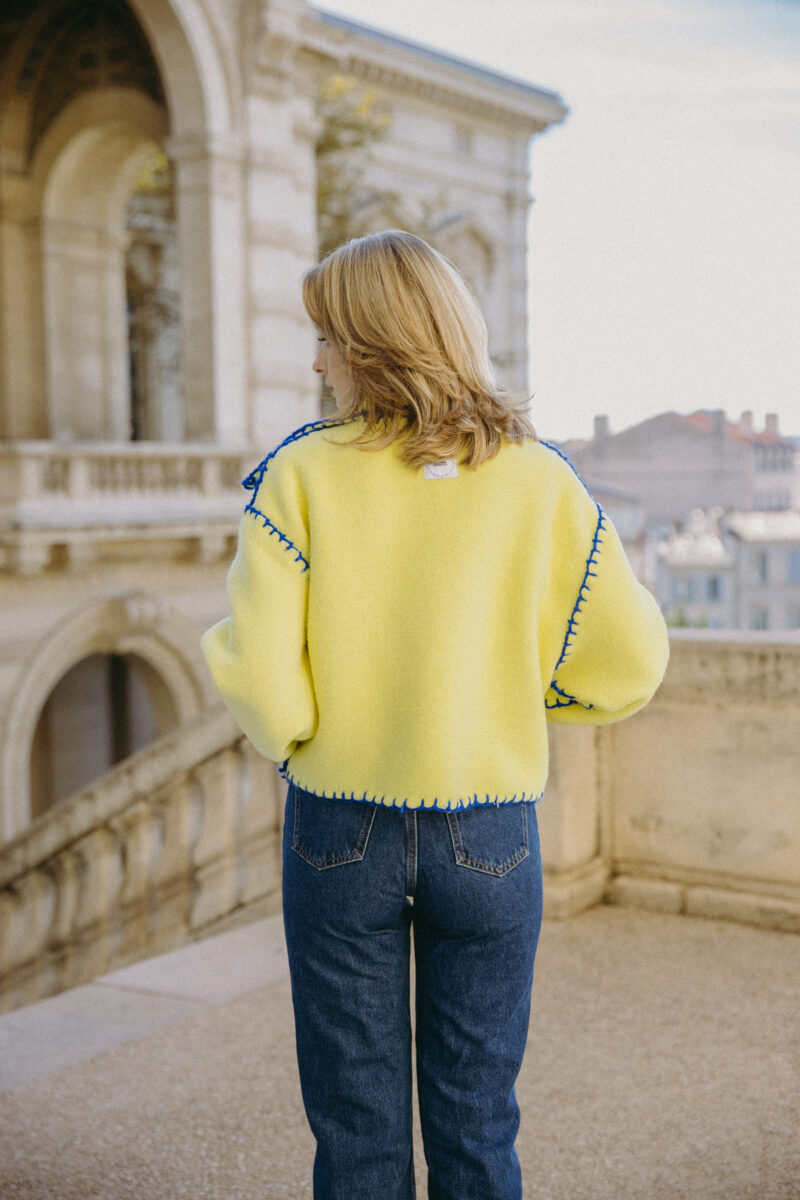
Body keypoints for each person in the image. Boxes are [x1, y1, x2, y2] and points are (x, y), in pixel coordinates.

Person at [201, 230, 669, 1200]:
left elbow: (257, 677)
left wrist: (305, 737)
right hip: (489, 831)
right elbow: (629, 663)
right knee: (478, 1127)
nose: (317, 358)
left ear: (370, 342)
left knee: (356, 1130)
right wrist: (506, 696)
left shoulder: (297, 474)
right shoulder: (542, 480)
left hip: (339, 826)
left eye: (327, 335)